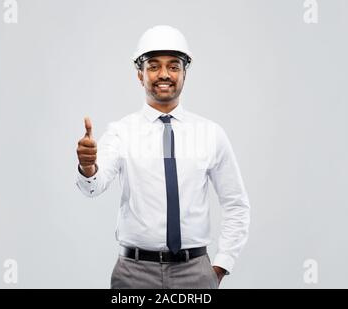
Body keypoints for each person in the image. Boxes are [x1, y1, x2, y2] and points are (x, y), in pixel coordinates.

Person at [76, 25, 250, 289]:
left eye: (174, 66)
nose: (164, 74)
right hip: (133, 274)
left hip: (195, 273)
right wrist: (88, 167)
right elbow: (94, 187)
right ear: (140, 74)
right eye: (154, 66)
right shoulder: (121, 132)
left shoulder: (211, 134)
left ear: (184, 73)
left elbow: (236, 203)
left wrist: (221, 265)